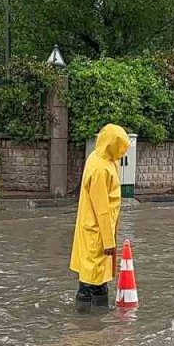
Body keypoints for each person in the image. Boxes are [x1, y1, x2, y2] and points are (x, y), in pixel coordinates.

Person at [70, 124, 129, 312]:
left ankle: (98, 320)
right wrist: (108, 240)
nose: (122, 153)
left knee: (99, 275)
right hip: (96, 230)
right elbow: (101, 207)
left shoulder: (102, 159)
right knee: (90, 276)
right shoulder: (99, 168)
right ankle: (87, 320)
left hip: (100, 229)